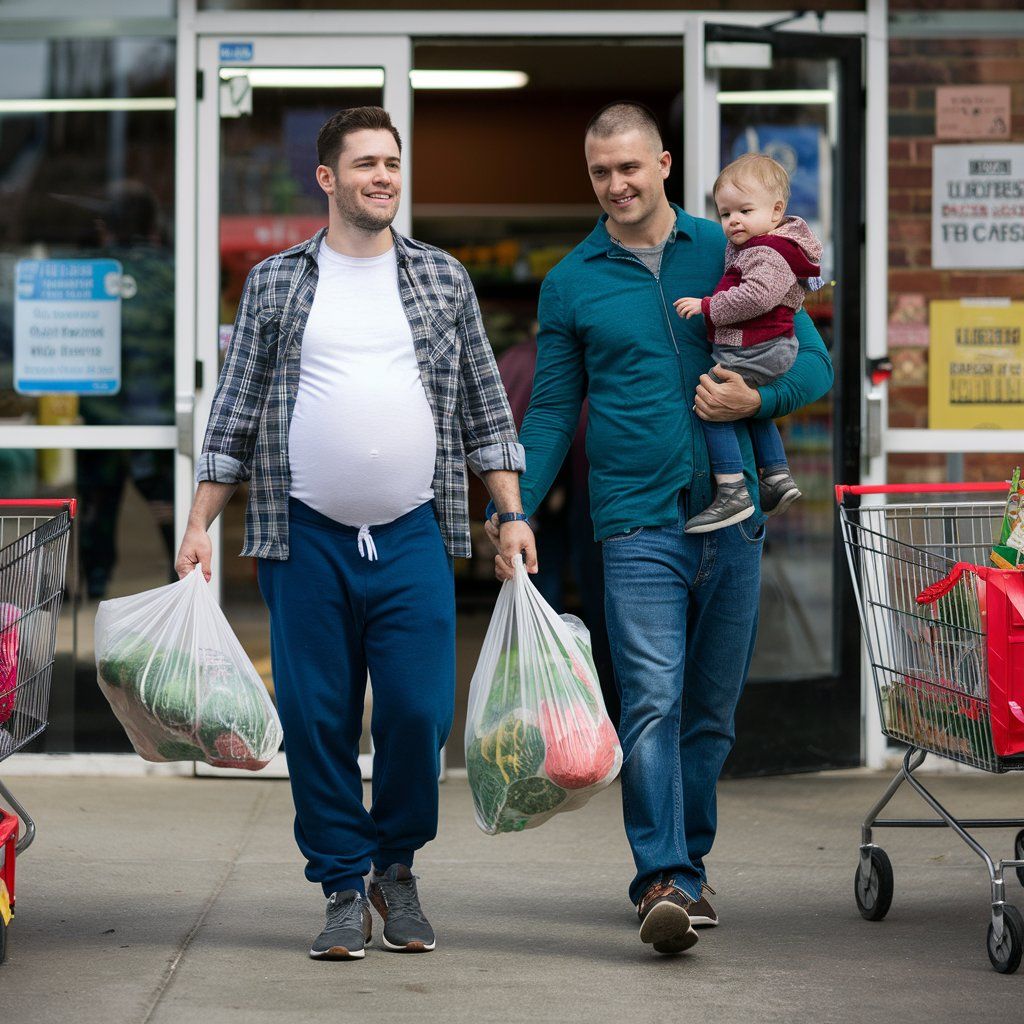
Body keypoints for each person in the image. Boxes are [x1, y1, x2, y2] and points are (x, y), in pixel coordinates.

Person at [174, 106, 535, 962]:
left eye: (393, 164)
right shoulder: (276, 281)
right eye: (366, 163)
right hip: (303, 538)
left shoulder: (444, 279)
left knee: (416, 712)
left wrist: (511, 514)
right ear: (327, 179)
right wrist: (197, 526)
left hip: (412, 531)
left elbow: (487, 408)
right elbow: (233, 415)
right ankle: (341, 883)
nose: (384, 177)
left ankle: (395, 867)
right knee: (316, 715)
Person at [488, 102, 833, 955]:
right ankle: (664, 878)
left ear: (665, 164)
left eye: (630, 167)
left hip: (735, 514)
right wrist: (516, 510)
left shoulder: (730, 249)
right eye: (601, 171)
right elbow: (554, 406)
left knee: (710, 712)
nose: (616, 184)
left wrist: (759, 399)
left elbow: (813, 362)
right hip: (636, 520)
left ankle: (694, 865)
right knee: (650, 701)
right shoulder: (572, 279)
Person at [674, 153, 823, 534]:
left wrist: (707, 307)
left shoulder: (766, 250)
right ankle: (776, 476)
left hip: (759, 347)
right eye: (725, 214)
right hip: (765, 347)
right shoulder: (756, 246)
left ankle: (732, 489)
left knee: (714, 405)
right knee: (748, 408)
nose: (732, 221)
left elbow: (756, 296)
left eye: (744, 210)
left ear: (776, 211)